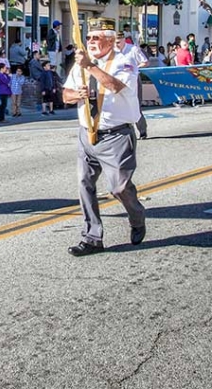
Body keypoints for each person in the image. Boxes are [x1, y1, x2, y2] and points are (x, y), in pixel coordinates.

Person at [62, 17, 146, 256]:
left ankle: (137, 216)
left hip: (116, 136)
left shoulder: (124, 61)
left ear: (110, 40)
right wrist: (76, 94)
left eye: (96, 37)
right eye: (88, 37)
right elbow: (65, 95)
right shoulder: (81, 65)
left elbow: (116, 86)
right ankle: (92, 237)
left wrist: (89, 66)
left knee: (119, 188)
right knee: (84, 184)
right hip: (87, 133)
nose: (90, 41)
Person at [116, 33, 149, 140]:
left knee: (135, 106)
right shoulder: (112, 51)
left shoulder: (133, 49)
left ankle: (142, 131)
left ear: (124, 40)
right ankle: (123, 133)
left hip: (133, 80)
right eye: (114, 42)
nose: (116, 45)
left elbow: (145, 62)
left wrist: (134, 67)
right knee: (119, 107)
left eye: (118, 42)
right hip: (118, 80)